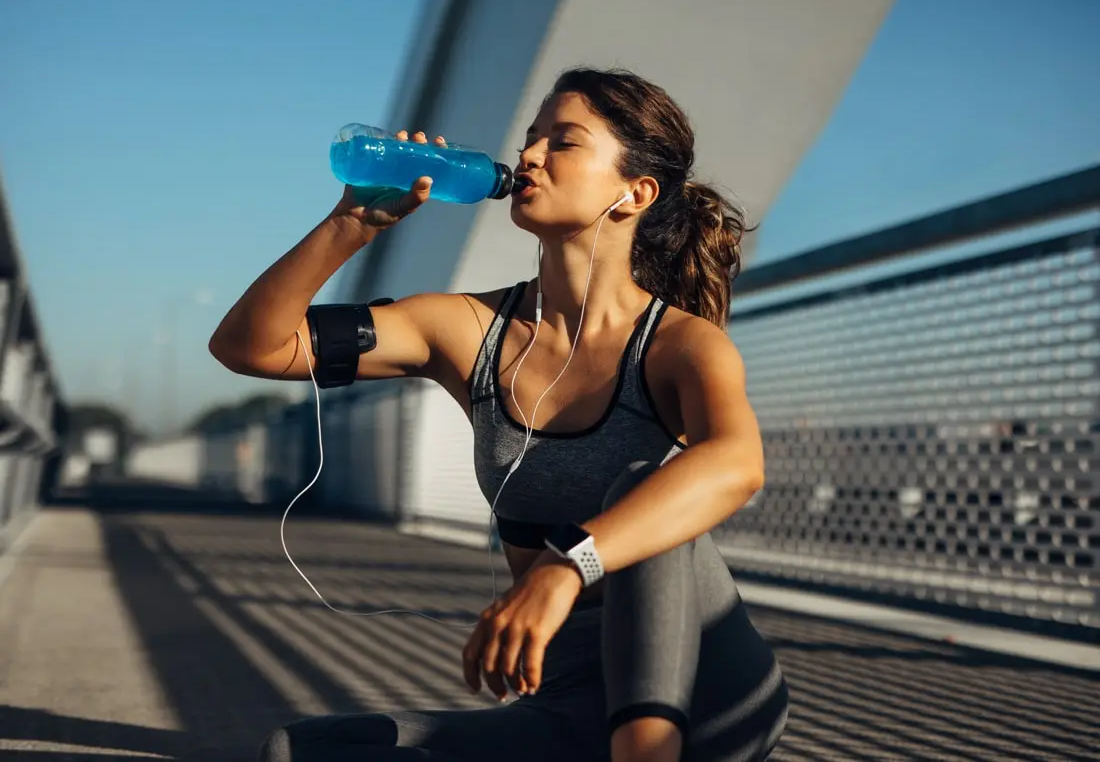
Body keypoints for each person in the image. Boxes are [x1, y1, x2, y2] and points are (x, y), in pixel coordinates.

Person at [209, 66, 789, 762]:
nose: (531, 156)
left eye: (563, 142)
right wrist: (349, 226)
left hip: (708, 696)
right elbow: (250, 346)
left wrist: (566, 565)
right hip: (569, 704)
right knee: (298, 752)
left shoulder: (681, 346)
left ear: (634, 193)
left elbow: (737, 464)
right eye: (531, 138)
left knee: (642, 484)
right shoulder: (467, 330)